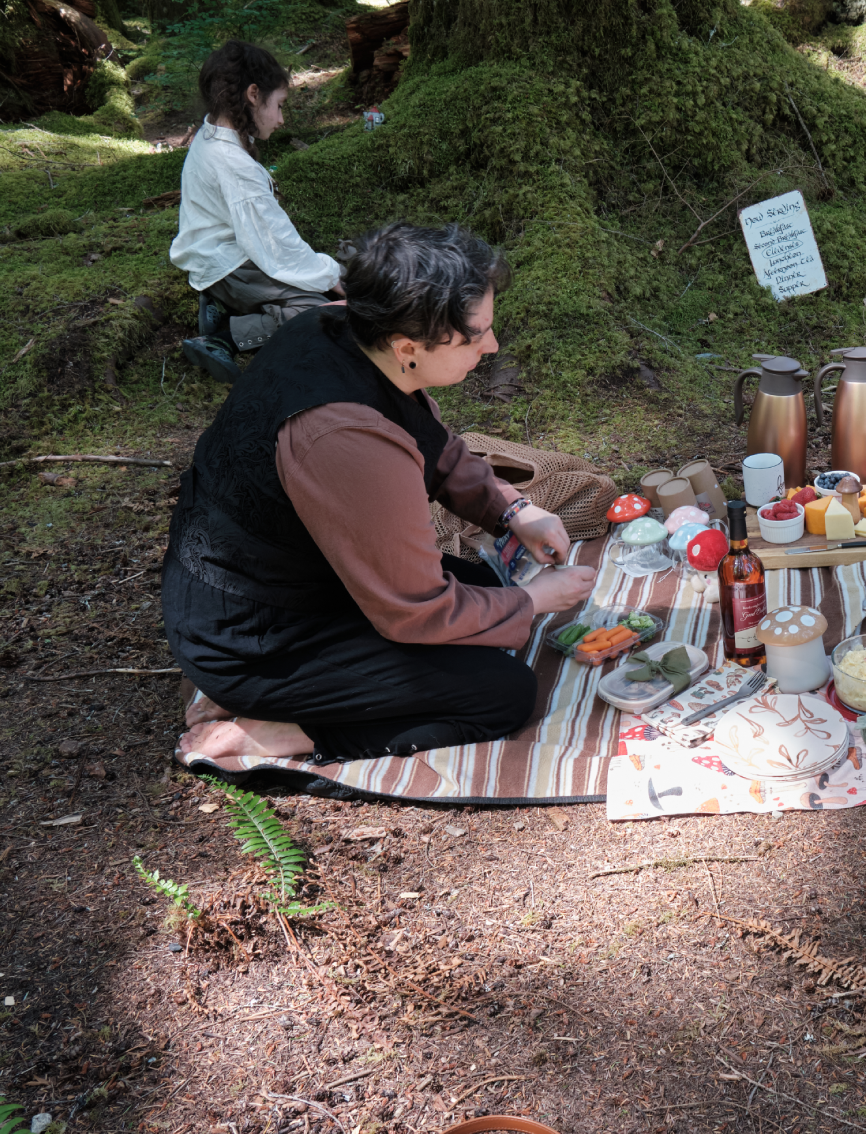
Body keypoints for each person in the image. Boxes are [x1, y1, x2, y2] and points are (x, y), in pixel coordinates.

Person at [163, 222, 598, 764]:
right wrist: (535, 600)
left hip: (292, 583)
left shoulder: (339, 324)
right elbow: (413, 611)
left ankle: (284, 699)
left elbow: (431, 444)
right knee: (501, 692)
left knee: (484, 586)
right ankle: (282, 729)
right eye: (476, 334)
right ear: (408, 347)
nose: (493, 345)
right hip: (257, 639)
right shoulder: (344, 437)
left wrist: (512, 509)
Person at [170, 40, 343, 385]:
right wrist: (330, 275)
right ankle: (224, 336)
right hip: (230, 264)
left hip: (221, 256)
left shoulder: (212, 133)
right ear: (253, 94)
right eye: (278, 106)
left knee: (324, 289)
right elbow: (273, 242)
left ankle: (220, 305)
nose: (280, 119)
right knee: (329, 314)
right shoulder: (233, 164)